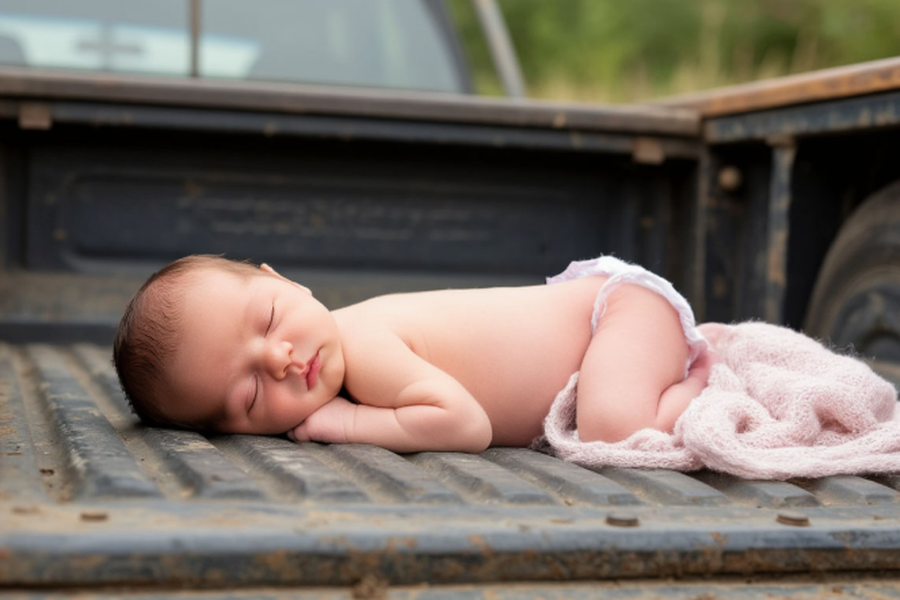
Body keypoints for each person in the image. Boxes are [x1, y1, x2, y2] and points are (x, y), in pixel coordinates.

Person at [113, 255, 717, 453]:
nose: (279, 358)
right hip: (601, 337)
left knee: (612, 424)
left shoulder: (365, 343)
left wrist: (345, 423)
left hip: (613, 312)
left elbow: (466, 425)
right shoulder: (334, 359)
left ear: (286, 282)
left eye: (270, 318)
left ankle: (702, 384)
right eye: (248, 394)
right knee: (605, 408)